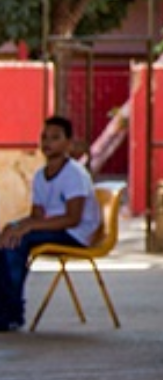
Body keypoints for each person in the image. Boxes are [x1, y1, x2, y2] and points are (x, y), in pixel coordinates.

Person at [0, 116, 102, 332]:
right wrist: (15, 225)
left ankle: (12, 314)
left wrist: (29, 227)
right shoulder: (40, 175)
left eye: (55, 138)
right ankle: (6, 306)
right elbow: (36, 215)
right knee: (9, 236)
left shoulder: (74, 174)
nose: (47, 143)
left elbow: (73, 218)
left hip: (75, 234)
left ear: (69, 143)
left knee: (18, 243)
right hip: (56, 228)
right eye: (44, 137)